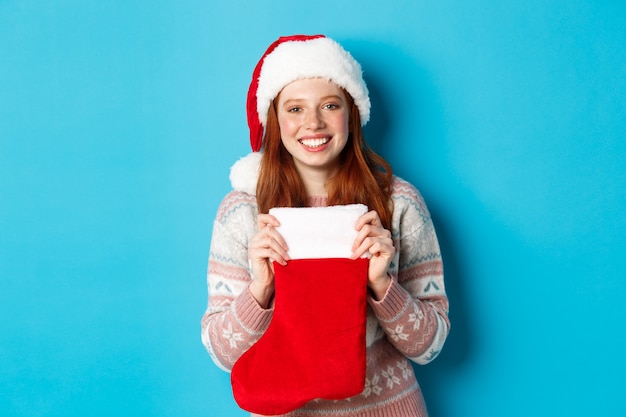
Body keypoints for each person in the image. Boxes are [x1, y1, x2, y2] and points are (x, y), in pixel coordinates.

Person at [201, 34, 450, 417]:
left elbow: (429, 347)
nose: (313, 123)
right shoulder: (242, 212)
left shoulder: (398, 203)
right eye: (295, 109)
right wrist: (260, 289)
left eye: (329, 105)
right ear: (275, 119)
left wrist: (383, 286)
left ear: (352, 113)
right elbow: (221, 353)